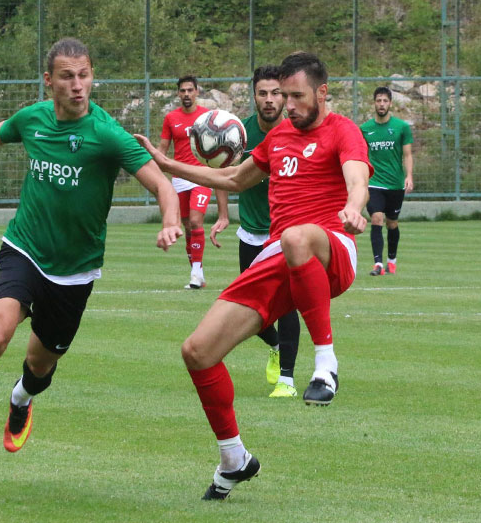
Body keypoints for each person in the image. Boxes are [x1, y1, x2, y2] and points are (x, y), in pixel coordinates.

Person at [0, 38, 182, 482]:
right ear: (49, 80)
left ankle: (20, 399)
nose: (78, 86)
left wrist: (170, 220)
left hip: (74, 272)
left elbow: (163, 186)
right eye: (68, 76)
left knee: (39, 365)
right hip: (25, 249)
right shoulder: (32, 119)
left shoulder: (107, 135)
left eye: (85, 75)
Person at [135, 51, 371, 500]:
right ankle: (233, 458)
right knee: (198, 351)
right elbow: (232, 179)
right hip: (277, 255)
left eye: (297, 96)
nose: (289, 106)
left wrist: (354, 209)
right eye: (284, 96)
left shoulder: (344, 131)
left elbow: (356, 178)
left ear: (323, 92)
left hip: (330, 250)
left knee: (298, 238)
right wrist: (167, 165)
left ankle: (326, 365)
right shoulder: (279, 135)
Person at [225, 64, 302, 398]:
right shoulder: (239, 133)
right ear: (253, 94)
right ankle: (274, 345)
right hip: (250, 234)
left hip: (285, 235)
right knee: (250, 308)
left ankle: (287, 378)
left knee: (286, 304)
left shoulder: (297, 133)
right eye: (263, 93)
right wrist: (221, 215)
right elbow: (224, 170)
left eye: (276, 94)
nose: (270, 100)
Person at [159, 76, 230, 289]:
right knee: (188, 227)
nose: (186, 94)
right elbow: (162, 149)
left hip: (201, 175)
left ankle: (195, 274)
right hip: (180, 178)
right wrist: (155, 166)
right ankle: (197, 273)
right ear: (178, 94)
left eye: (190, 90)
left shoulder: (207, 117)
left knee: (197, 221)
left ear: (197, 92)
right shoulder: (171, 118)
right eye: (182, 91)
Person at [359, 86, 414, 276]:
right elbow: (360, 156)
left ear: (390, 103)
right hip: (374, 183)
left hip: (395, 184)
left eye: (385, 101)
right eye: (378, 100)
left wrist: (409, 176)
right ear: (374, 103)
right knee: (376, 218)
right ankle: (378, 264)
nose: (381, 104)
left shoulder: (401, 127)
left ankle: (392, 260)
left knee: (392, 223)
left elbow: (407, 155)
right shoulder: (365, 129)